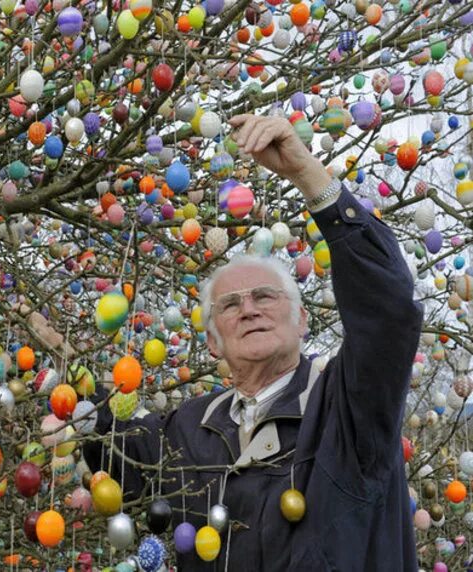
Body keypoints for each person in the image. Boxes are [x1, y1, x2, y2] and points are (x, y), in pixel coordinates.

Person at [82, 114, 423, 571]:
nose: (248, 309)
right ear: (213, 342)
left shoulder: (346, 405)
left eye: (265, 296)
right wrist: (72, 374)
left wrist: (307, 175)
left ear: (302, 320)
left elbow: (389, 308)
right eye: (230, 305)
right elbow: (122, 452)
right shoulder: (188, 429)